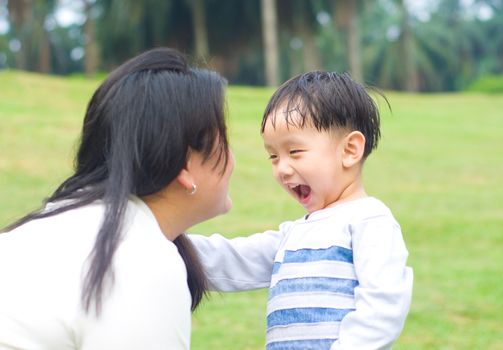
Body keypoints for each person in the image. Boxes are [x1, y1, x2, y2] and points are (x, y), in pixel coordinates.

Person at [0, 47, 234, 350]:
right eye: (225, 140)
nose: (232, 159)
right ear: (185, 167)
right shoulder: (143, 262)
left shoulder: (60, 225)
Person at [190, 71, 413, 349]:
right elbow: (232, 260)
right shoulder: (293, 235)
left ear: (350, 150)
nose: (282, 168)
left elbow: (383, 307)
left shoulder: (369, 221)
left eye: (294, 152)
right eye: (273, 156)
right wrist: (163, 238)